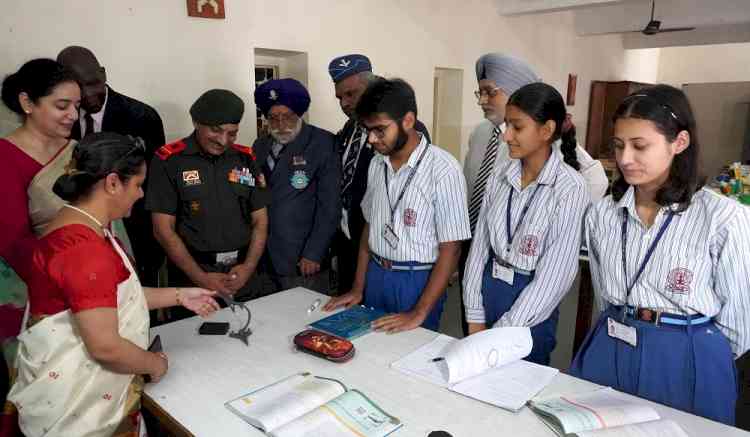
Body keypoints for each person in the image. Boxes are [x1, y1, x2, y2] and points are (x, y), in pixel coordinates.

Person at [7, 132, 219, 437]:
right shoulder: (84, 250)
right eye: (137, 184)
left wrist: (179, 295)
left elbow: (110, 297)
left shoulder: (78, 224)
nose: (141, 194)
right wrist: (153, 365)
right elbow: (106, 347)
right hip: (80, 413)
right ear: (112, 183)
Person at [569, 85, 750, 425]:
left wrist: (695, 353)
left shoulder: (721, 217)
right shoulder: (602, 215)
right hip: (611, 339)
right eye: (619, 145)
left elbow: (739, 325)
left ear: (679, 143)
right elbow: (603, 294)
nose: (624, 159)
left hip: (686, 354)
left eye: (640, 146)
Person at [459, 52, 608, 335]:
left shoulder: (564, 167)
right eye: (480, 93)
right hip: (484, 268)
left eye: (490, 92)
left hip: (529, 283)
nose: (483, 101)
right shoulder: (482, 139)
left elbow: (591, 182)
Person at [324, 78, 471, 333]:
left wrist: (419, 311)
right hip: (377, 273)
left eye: (380, 130)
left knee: (409, 361)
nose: (371, 139)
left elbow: (452, 249)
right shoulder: (376, 164)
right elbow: (369, 228)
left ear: (408, 121)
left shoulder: (443, 169)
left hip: (417, 279)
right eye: (367, 130)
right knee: (370, 349)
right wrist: (359, 288)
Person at [462, 82, 589, 365]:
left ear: (546, 130)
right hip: (488, 290)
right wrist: (474, 316)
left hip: (531, 307)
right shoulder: (500, 177)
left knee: (516, 390)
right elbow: (478, 251)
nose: (507, 136)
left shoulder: (569, 187)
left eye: (517, 127)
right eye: (507, 125)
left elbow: (554, 276)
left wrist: (500, 334)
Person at [146, 89, 269, 309]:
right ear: (196, 122)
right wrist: (202, 278)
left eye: (232, 133)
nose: (223, 141)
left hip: (243, 274)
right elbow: (163, 230)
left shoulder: (245, 158)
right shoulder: (169, 161)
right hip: (193, 277)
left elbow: (260, 220)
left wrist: (248, 268)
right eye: (216, 130)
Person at [58, 46, 167, 287]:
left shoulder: (142, 117)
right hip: (80, 238)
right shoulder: (61, 121)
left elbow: (153, 185)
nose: (87, 94)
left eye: (93, 83)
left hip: (135, 233)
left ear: (104, 74)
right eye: (78, 86)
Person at [328, 54, 432, 294]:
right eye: (340, 97)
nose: (344, 103)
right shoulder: (350, 128)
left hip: (385, 248)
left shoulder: (407, 131)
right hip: (349, 239)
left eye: (351, 94)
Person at [252, 78, 340, 294]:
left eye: (288, 117)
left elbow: (330, 204)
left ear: (299, 114)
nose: (281, 125)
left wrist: (314, 252)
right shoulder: (260, 145)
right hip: (264, 254)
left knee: (304, 319)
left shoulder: (323, 143)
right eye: (273, 118)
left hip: (302, 257)